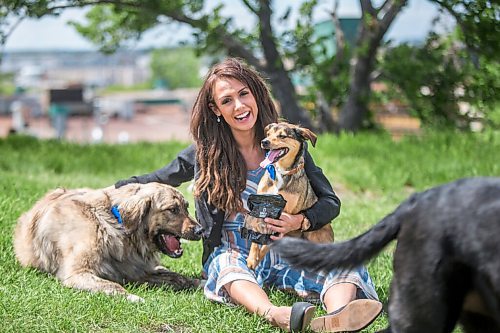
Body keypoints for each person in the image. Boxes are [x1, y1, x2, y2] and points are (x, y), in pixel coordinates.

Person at [115, 58, 382, 332]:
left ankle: (338, 318)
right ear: (215, 109)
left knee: (344, 260)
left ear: (255, 94)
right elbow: (156, 179)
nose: (240, 106)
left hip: (289, 249)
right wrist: (108, 193)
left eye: (244, 94)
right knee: (226, 265)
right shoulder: (205, 154)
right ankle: (277, 314)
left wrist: (300, 221)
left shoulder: (285, 147)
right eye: (227, 100)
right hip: (236, 253)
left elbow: (330, 203)